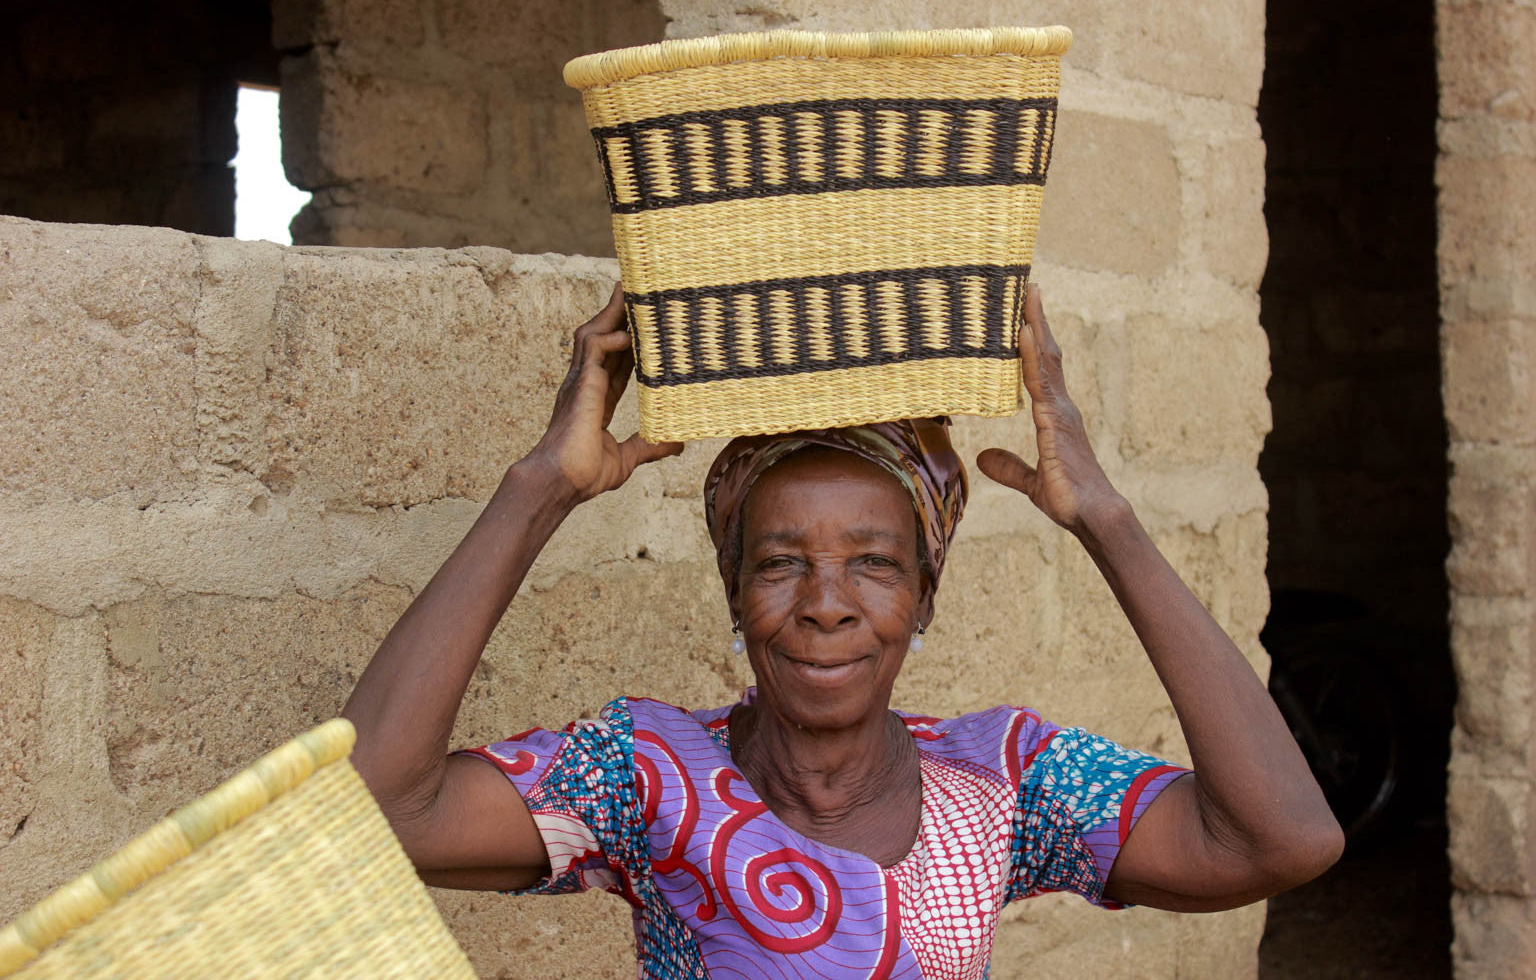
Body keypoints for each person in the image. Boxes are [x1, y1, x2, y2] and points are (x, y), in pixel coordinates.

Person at [342, 279, 1343, 978]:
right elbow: (380, 809)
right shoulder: (647, 777)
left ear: (924, 597)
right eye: (779, 562)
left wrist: (1111, 525)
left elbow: (1280, 839)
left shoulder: (1000, 783)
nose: (827, 601)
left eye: (873, 561)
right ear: (736, 596)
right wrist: (539, 489)